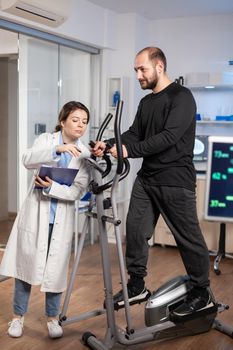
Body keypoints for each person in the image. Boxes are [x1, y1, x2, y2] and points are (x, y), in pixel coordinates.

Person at [91, 47, 214, 316]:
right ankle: (136, 286)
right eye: (135, 70)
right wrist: (111, 144)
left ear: (159, 67)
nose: (137, 75)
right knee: (135, 231)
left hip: (175, 180)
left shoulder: (182, 97)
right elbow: (135, 133)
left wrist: (127, 151)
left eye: (142, 69)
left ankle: (200, 290)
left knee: (188, 238)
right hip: (147, 179)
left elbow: (168, 137)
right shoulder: (147, 103)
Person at [0, 101, 91, 338]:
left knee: (55, 270)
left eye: (84, 121)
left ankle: (52, 318)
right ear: (63, 121)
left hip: (60, 219)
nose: (80, 125)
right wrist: (56, 151)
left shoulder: (84, 154)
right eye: (75, 119)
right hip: (35, 216)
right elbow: (27, 159)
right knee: (25, 267)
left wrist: (52, 188)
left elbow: (78, 190)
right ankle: (17, 318)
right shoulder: (46, 141)